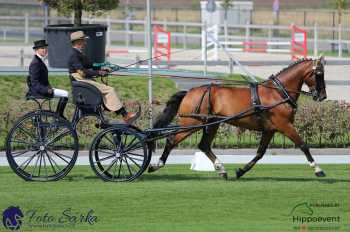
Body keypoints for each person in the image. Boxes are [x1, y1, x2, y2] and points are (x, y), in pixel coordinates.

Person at [67, 30, 137, 123]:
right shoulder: (74, 55)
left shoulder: (79, 53)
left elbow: (90, 64)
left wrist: (103, 66)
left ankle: (112, 111)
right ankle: (124, 115)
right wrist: (99, 72)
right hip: (80, 80)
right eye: (83, 40)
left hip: (82, 79)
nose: (85, 42)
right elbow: (82, 73)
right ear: (77, 42)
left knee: (106, 89)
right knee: (109, 90)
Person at [28, 39, 68, 118]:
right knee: (65, 94)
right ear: (36, 50)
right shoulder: (35, 63)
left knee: (64, 93)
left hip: (43, 89)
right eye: (42, 48)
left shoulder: (39, 61)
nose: (45, 50)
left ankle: (58, 116)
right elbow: (34, 83)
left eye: (45, 48)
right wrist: (46, 90)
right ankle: (59, 116)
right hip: (39, 91)